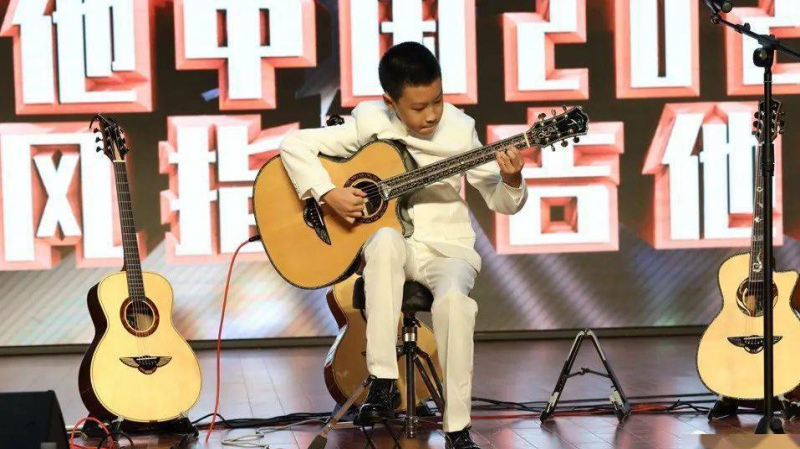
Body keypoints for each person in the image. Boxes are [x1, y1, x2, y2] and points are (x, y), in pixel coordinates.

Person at [279, 41, 528, 449]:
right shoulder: (369, 121)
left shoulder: (460, 128)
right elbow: (293, 145)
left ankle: (457, 428)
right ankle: (382, 378)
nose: (431, 115)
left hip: (448, 248)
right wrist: (327, 193)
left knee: (455, 306)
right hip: (399, 246)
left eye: (438, 101)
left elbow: (501, 201)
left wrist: (513, 179)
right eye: (418, 107)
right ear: (390, 103)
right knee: (384, 241)